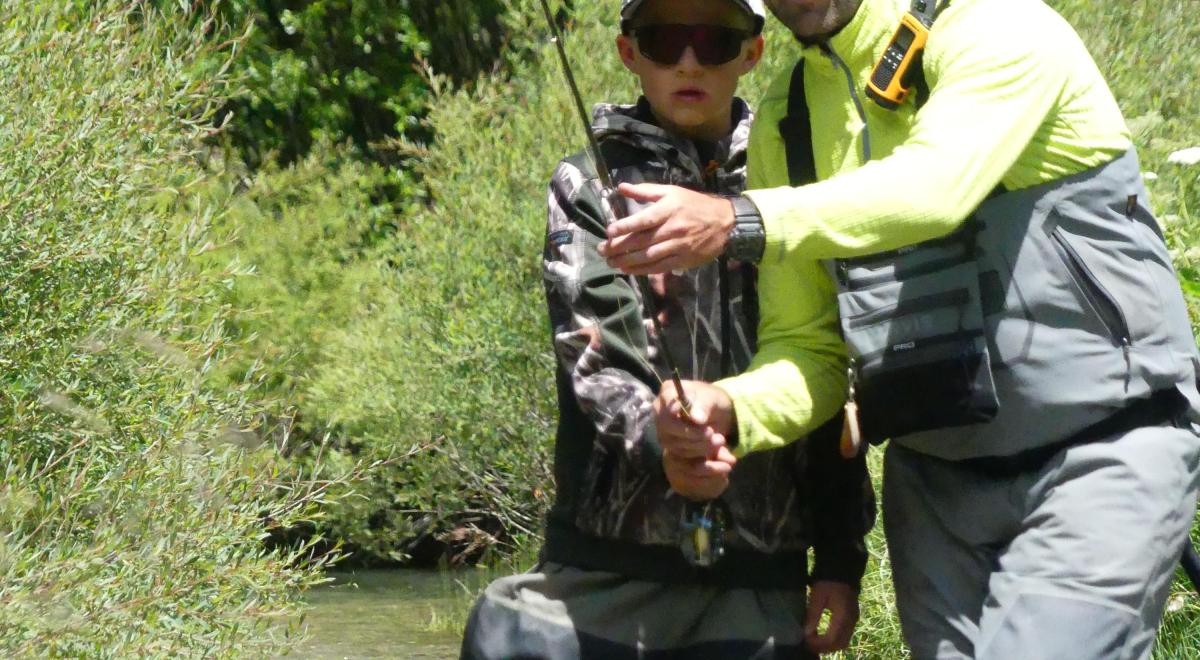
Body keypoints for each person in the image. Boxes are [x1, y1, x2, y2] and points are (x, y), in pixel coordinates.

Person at [598, 0, 1200, 657]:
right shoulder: (786, 119)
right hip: (938, 499)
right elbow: (812, 351)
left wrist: (736, 221)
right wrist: (733, 407)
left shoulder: (995, 26)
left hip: (1101, 455)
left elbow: (934, 189)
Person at [459, 0, 874, 657]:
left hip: (759, 583)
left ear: (752, 53)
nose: (688, 60)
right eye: (664, 39)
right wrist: (666, 441)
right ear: (630, 54)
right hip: (602, 572)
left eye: (714, 40)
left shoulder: (796, 185)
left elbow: (824, 369)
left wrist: (840, 559)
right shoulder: (585, 186)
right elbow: (592, 361)